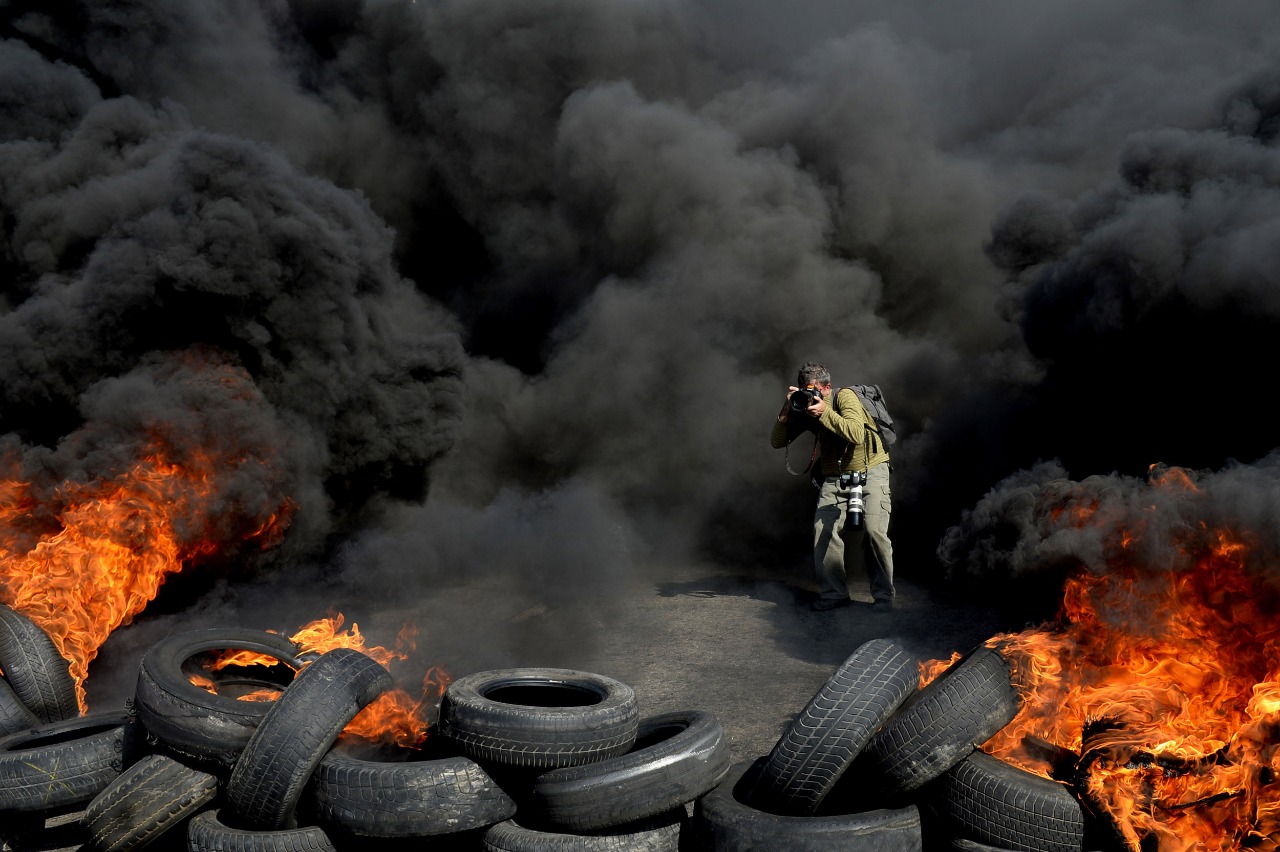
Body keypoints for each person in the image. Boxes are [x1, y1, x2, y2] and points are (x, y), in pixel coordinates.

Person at [770, 361, 895, 612]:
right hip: (835, 474)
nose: (809, 395)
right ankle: (834, 593)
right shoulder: (806, 407)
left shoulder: (845, 397)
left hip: (871, 469)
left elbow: (856, 433)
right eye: (804, 390)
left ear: (826, 388)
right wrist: (788, 408)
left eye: (813, 390)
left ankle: (883, 596)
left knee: (873, 531)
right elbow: (777, 441)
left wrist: (824, 413)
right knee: (823, 530)